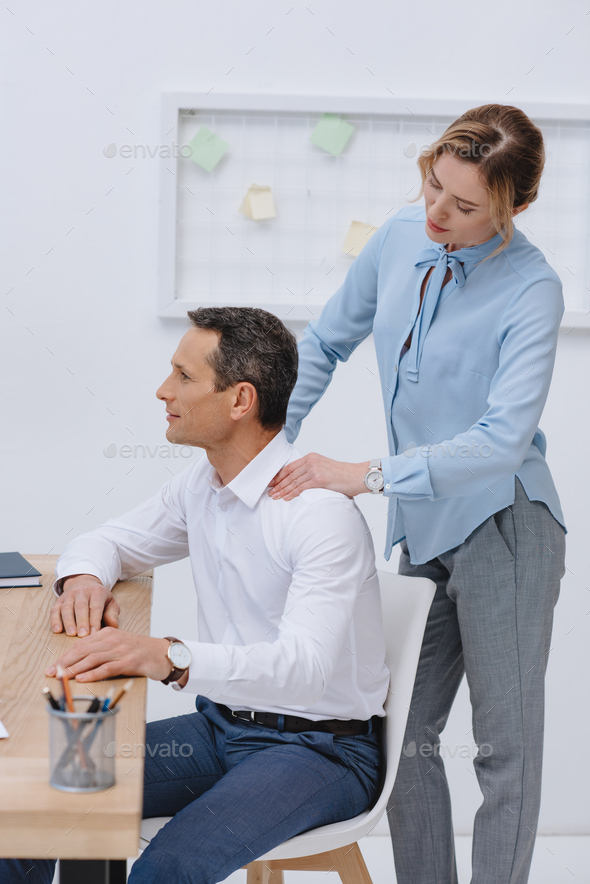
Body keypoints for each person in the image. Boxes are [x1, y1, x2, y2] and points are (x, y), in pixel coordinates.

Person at [269, 105, 567, 884]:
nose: (438, 212)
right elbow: (328, 341)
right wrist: (271, 455)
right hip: (423, 531)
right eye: (434, 186)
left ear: (515, 207)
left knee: (505, 750)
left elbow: (503, 441)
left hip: (507, 529)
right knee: (402, 742)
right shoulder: (402, 235)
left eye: (466, 206)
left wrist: (363, 474)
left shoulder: (533, 289)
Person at [2, 307, 389, 884]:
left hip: (319, 751)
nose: (163, 391)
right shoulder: (204, 486)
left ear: (240, 400)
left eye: (184, 377)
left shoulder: (319, 516)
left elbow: (306, 670)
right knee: (33, 802)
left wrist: (170, 656)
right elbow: (109, 540)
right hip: (221, 728)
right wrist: (84, 577)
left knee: (169, 869)